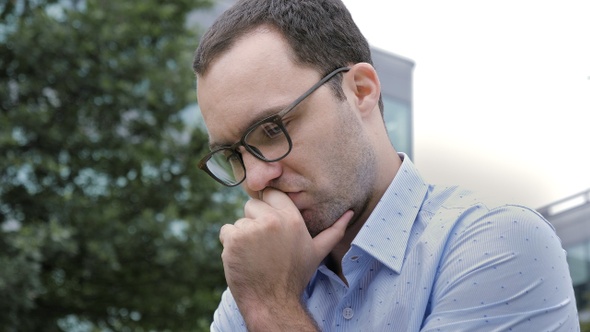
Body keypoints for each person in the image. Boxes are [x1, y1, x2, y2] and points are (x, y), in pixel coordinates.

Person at [192, 0, 580, 331]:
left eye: (273, 128)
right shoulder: (260, 278)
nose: (258, 177)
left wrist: (271, 309)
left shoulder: (500, 243)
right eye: (232, 154)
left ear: (360, 90)